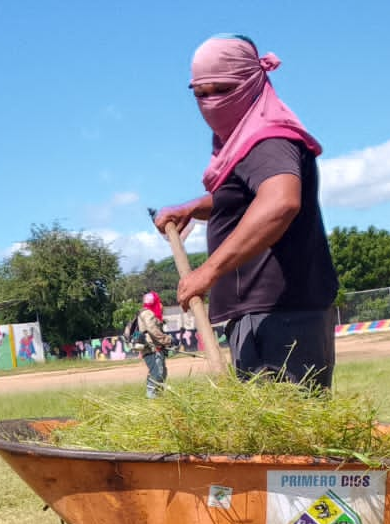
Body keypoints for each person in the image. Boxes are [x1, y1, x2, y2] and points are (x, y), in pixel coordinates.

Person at [152, 34, 338, 388]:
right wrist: (195, 207)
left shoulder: (267, 138)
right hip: (264, 314)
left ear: (252, 82)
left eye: (222, 89)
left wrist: (208, 272)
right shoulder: (242, 140)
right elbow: (249, 199)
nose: (211, 102)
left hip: (281, 313)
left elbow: (280, 201)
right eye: (201, 94)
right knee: (268, 436)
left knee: (284, 436)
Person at [132, 291, 173, 398]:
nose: (161, 305)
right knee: (157, 374)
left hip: (156, 348)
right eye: (159, 302)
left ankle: (158, 397)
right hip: (151, 349)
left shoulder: (150, 313)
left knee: (161, 374)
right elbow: (152, 330)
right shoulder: (147, 313)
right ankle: (152, 398)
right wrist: (168, 340)